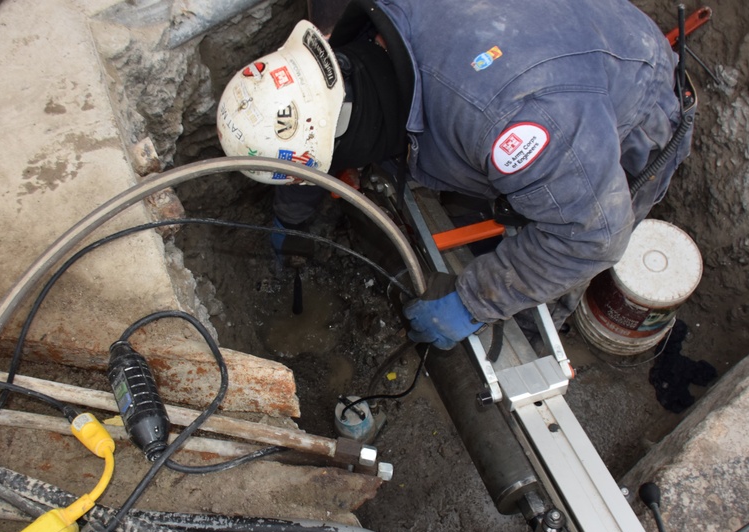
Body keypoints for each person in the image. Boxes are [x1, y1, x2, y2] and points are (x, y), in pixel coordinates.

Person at [215, 0, 695, 350]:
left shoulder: (519, 125)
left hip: (625, 87)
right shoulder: (335, 41)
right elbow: (306, 148)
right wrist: (293, 220)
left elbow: (593, 237)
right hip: (530, 37)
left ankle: (527, 335)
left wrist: (474, 302)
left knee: (555, 254)